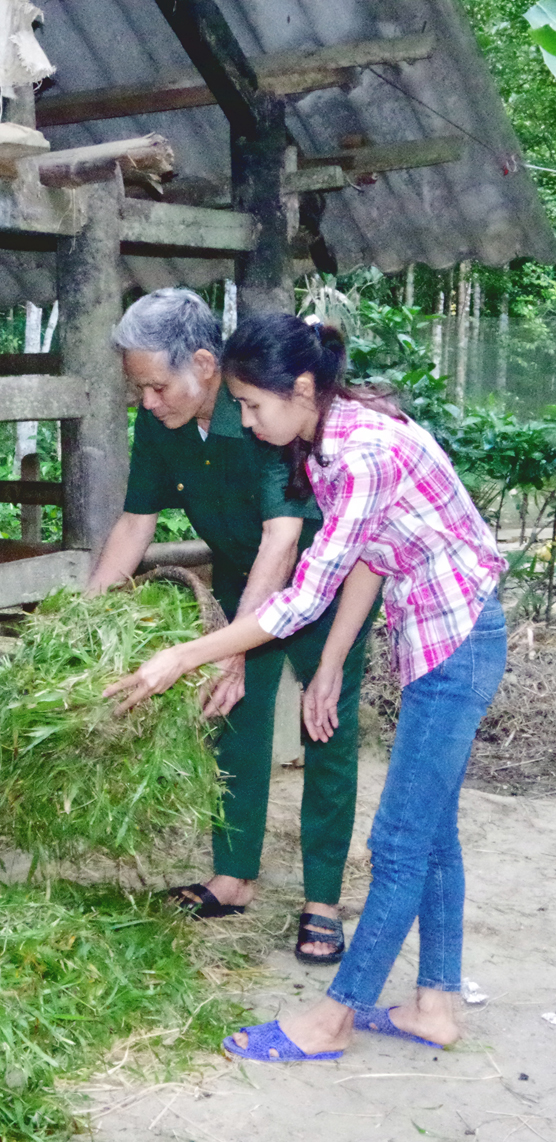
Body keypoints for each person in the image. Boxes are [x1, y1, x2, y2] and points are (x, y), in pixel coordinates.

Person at [107, 312, 507, 1061]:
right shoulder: (324, 437)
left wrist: (185, 656)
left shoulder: (359, 452)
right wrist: (329, 661)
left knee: (397, 841)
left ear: (300, 388)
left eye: (254, 406)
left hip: (457, 644)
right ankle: (436, 1006)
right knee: (433, 833)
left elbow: (299, 600)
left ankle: (333, 1019)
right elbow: (372, 556)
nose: (248, 422)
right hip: (432, 637)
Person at [90, 288, 376, 963]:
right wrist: (84, 616)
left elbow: (282, 540)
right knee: (234, 729)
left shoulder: (262, 407)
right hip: (234, 584)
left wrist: (235, 649)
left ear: (203, 362)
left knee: (323, 727)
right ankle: (234, 875)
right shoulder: (159, 425)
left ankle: (322, 900)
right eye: (141, 391)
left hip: (319, 587)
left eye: (158, 386)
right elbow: (135, 522)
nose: (149, 402)